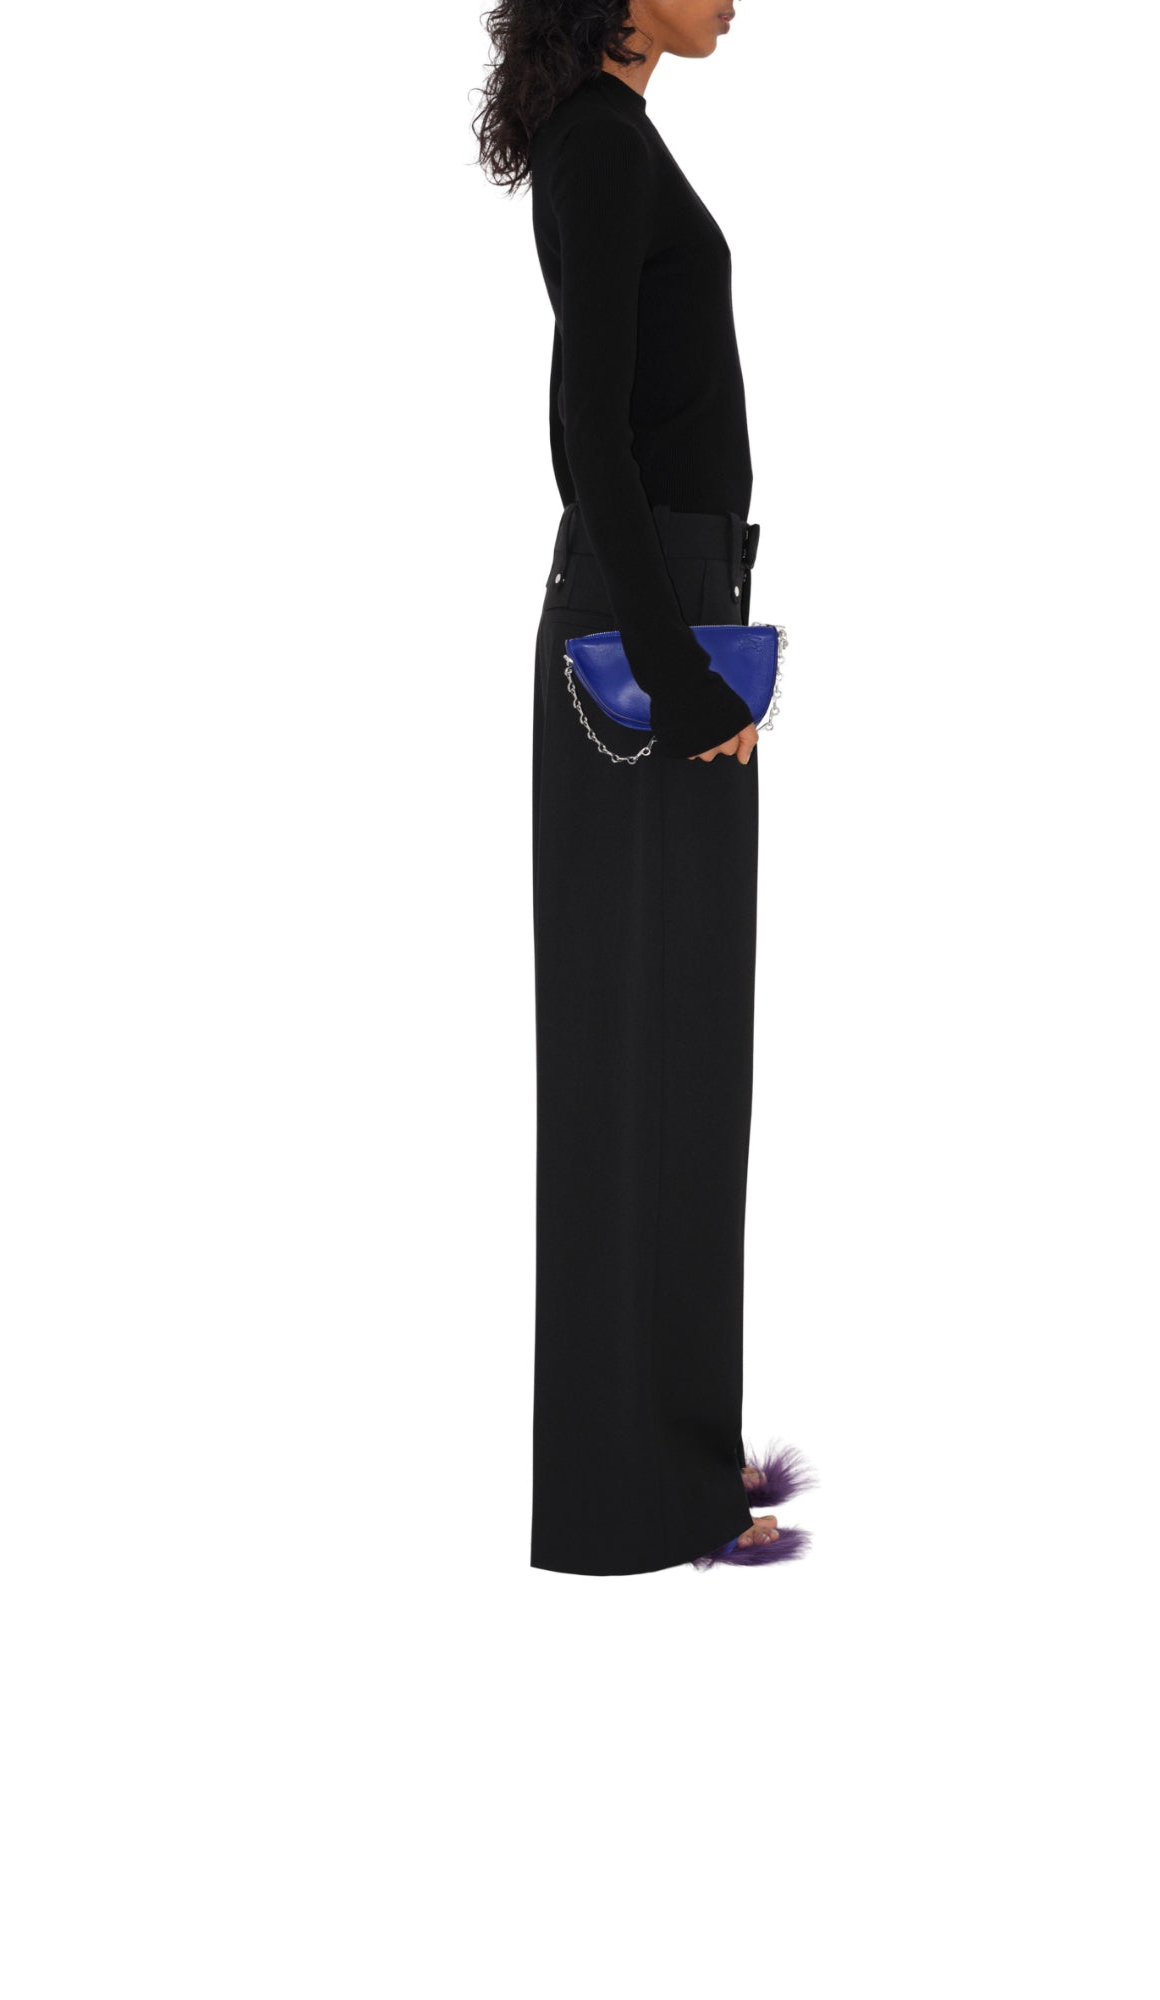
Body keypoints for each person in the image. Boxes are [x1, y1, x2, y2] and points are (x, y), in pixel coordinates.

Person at [475, 0, 813, 1574]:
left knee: (680, 1054)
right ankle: (634, 1498)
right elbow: (587, 434)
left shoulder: (617, 138)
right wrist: (679, 679)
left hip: (670, 602)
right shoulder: (600, 151)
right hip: (641, 624)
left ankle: (673, 1458)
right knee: (638, 1061)